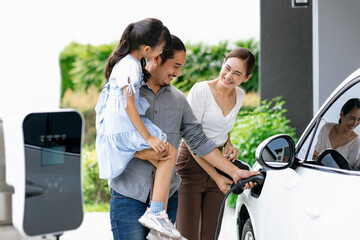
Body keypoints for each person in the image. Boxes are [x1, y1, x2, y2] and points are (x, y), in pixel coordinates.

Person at [107, 34, 259, 240]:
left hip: (168, 196)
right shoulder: (128, 94)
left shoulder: (178, 100)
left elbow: (197, 139)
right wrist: (143, 152)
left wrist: (234, 172)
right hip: (129, 195)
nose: (179, 73)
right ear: (157, 58)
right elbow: (112, 136)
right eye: (176, 66)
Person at [95, 18, 181, 239]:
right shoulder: (131, 66)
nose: (161, 53)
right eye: (161, 48)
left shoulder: (124, 63)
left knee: (161, 156)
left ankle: (156, 220)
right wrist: (148, 137)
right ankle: (156, 214)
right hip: (124, 127)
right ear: (147, 49)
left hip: (116, 129)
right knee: (170, 153)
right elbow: (129, 105)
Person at [175, 48, 256, 240]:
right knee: (187, 235)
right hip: (191, 163)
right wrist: (217, 175)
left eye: (237, 73)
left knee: (211, 234)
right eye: (227, 68)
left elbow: (224, 123)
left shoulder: (240, 95)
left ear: (246, 77)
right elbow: (192, 139)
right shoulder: (201, 90)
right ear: (222, 64)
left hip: (220, 164)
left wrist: (229, 143)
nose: (228, 76)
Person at [312, 98, 360, 169]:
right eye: (352, 118)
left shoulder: (356, 142)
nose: (355, 123)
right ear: (342, 115)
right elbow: (315, 155)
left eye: (359, 119)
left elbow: (349, 170)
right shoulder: (326, 128)